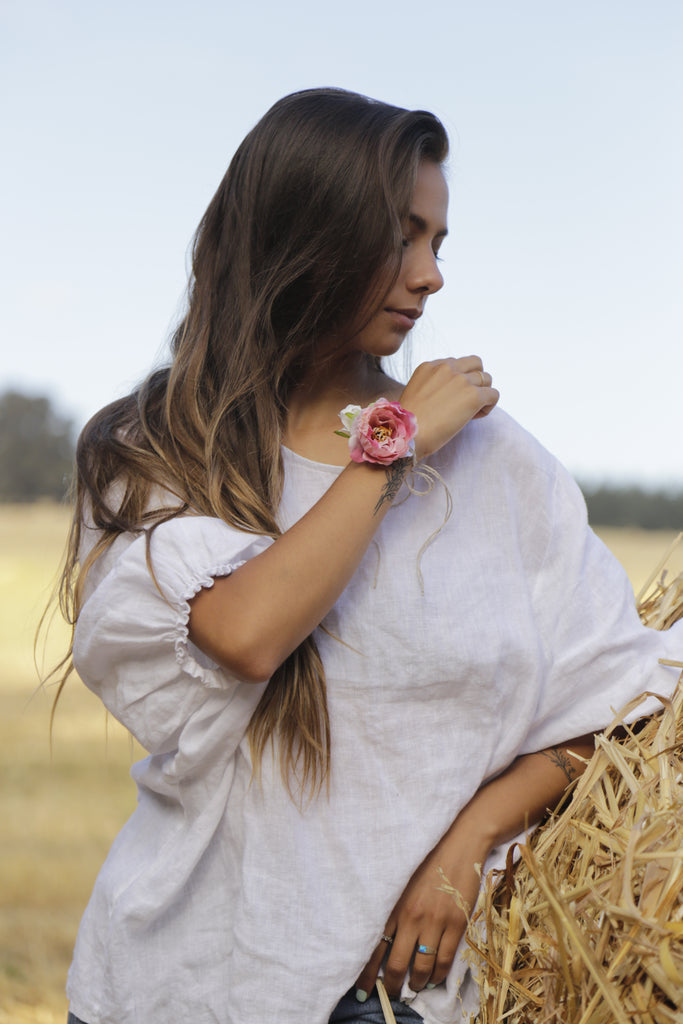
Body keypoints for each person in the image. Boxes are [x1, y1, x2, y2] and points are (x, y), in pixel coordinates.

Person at [58, 88, 682, 1024]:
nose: (430, 276)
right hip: (184, 983)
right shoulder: (156, 450)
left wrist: (465, 846)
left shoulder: (499, 466)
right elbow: (245, 632)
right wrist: (392, 447)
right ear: (304, 234)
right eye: (401, 237)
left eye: (438, 241)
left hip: (408, 1002)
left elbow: (621, 695)